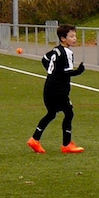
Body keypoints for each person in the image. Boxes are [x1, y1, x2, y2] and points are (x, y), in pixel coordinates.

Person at [27, 24, 86, 154]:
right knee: (69, 113)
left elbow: (44, 59)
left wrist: (52, 72)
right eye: (71, 36)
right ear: (63, 38)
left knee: (51, 113)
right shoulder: (67, 52)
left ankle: (34, 139)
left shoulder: (56, 50)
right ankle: (67, 144)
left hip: (49, 86)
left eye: (75, 36)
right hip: (59, 89)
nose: (75, 38)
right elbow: (66, 72)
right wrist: (78, 71)